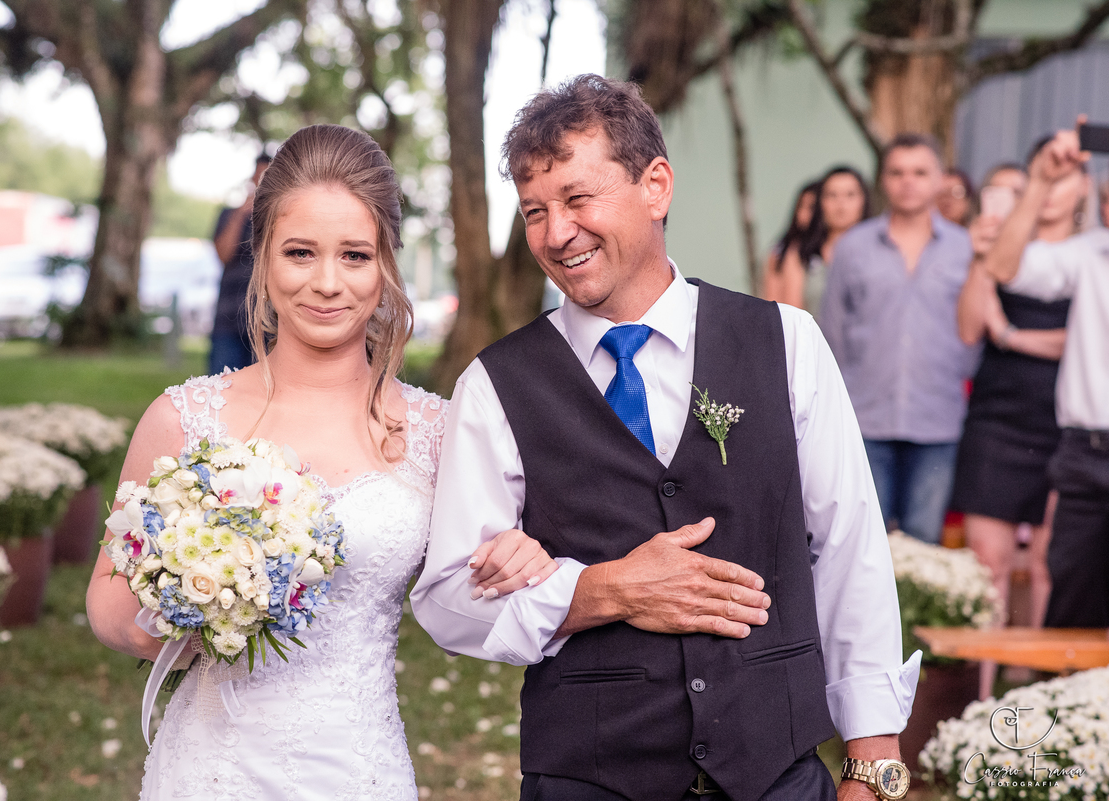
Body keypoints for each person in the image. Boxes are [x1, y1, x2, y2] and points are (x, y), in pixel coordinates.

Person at [413, 75, 918, 801]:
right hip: (587, 778)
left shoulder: (786, 342)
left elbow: (849, 552)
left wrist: (873, 767)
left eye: (578, 199)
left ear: (656, 186)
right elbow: (445, 596)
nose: (556, 233)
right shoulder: (495, 383)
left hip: (775, 777)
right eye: (535, 211)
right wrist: (597, 590)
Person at [85, 125, 555, 799]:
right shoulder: (183, 418)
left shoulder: (439, 430)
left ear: (386, 264)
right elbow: (107, 603)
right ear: (264, 258)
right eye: (300, 252)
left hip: (359, 763)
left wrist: (519, 554)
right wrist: (210, 602)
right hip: (212, 768)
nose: (327, 283)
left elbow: (478, 584)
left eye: (355, 255)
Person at [952, 156, 1082, 698]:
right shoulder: (1003, 250)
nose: (1051, 191)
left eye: (1064, 179)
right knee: (989, 564)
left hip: (1066, 421)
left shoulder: (1092, 255)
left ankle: (1049, 698)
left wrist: (1016, 337)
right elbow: (968, 329)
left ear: (1086, 188)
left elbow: (1083, 339)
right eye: (1041, 181)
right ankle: (978, 703)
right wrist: (982, 258)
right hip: (997, 418)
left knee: (1056, 563)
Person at [820, 134, 979, 545]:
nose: (908, 182)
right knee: (860, 543)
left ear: (940, 179)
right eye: (897, 172)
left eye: (920, 172)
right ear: (883, 180)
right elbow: (832, 331)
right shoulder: (853, 247)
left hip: (938, 418)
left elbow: (974, 332)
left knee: (924, 543)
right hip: (865, 419)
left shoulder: (965, 249)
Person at [983, 122, 1109, 628]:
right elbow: (1004, 266)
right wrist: (1037, 183)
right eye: (1106, 198)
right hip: (1086, 456)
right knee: (1069, 606)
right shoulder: (1092, 252)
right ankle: (1063, 707)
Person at [208, 153, 271, 375]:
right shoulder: (230, 214)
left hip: (269, 321)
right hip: (229, 317)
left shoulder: (282, 217)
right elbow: (223, 254)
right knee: (220, 386)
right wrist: (241, 214)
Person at [794, 166, 870, 318]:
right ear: (820, 203)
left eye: (850, 195)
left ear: (864, 200)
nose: (841, 203)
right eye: (832, 195)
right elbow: (791, 317)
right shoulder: (801, 253)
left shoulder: (882, 251)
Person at [761, 180, 818, 307]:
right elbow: (784, 303)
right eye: (800, 206)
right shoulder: (787, 249)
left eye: (812, 208)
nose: (802, 215)